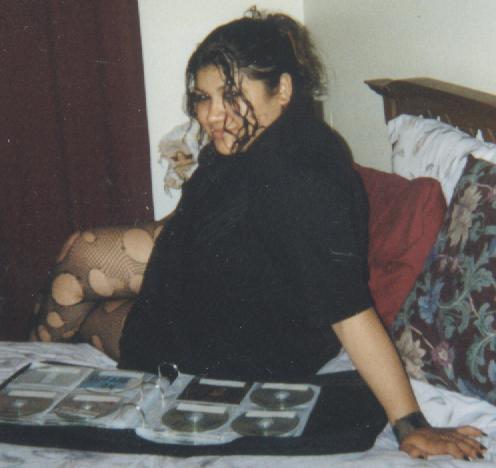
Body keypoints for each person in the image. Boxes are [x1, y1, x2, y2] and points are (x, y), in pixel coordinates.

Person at [119, 9, 485, 460]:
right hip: (213, 299)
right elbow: (203, 223)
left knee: (79, 272)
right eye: (203, 97)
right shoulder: (262, 143)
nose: (212, 114)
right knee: (84, 265)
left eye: (231, 95)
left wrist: (410, 424)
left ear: (284, 90)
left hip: (232, 345)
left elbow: (348, 310)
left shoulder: (298, 177)